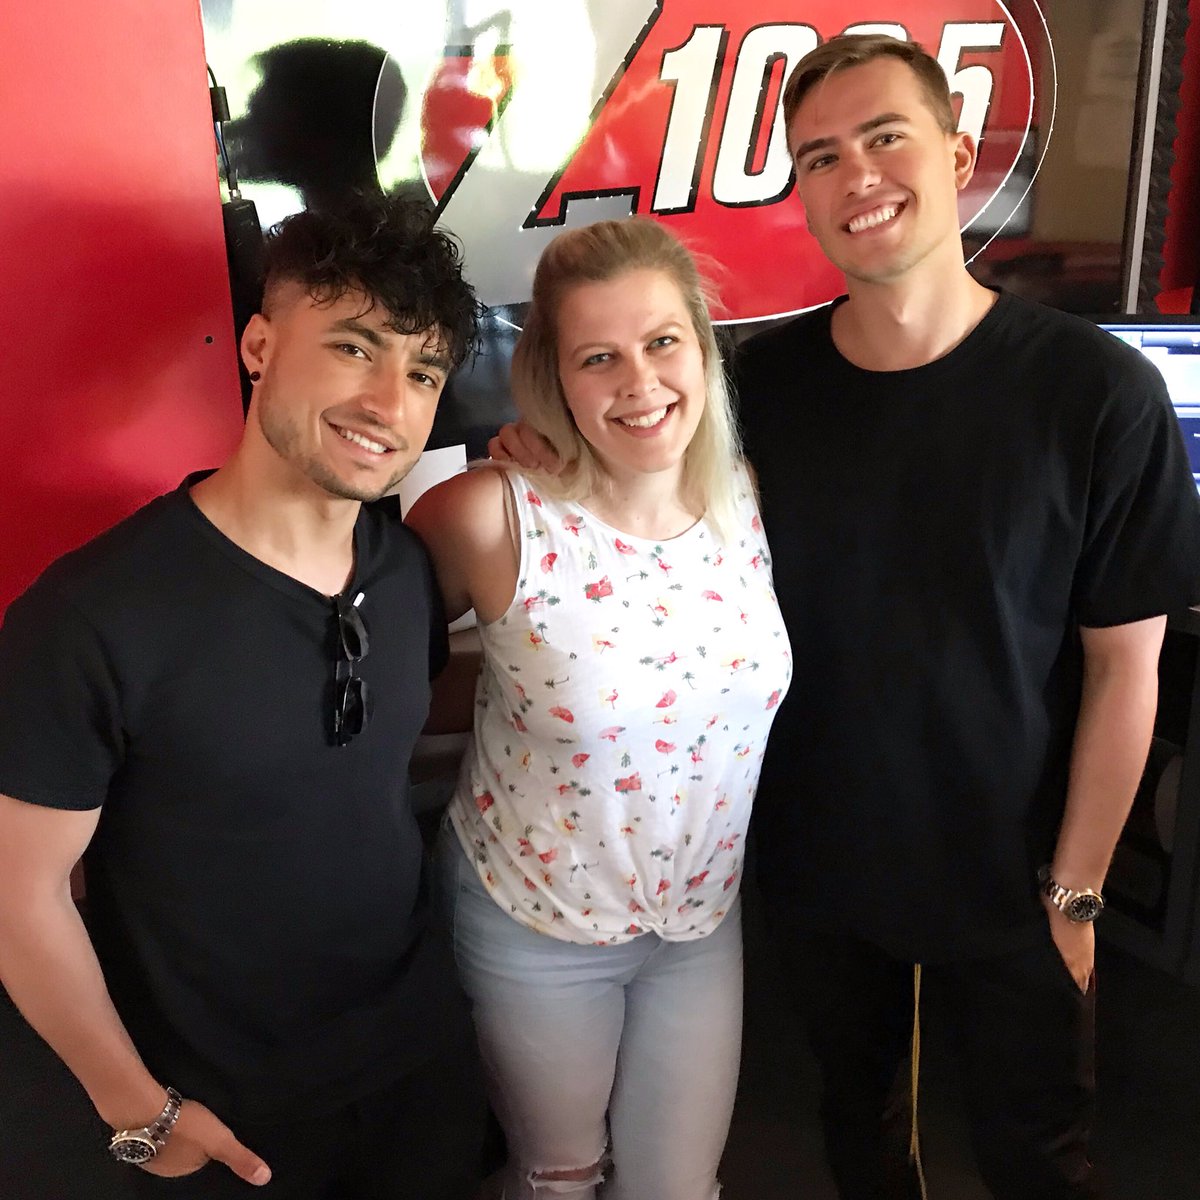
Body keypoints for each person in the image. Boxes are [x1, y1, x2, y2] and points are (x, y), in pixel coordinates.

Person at [490, 33, 1200, 1200]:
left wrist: (1078, 891)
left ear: (959, 155)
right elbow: (639, 483)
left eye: (885, 137)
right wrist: (545, 455)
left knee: (1037, 1157)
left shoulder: (1094, 393)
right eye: (821, 156)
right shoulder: (757, 392)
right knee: (863, 1141)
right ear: (803, 191)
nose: (856, 175)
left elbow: (1129, 669)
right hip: (820, 870)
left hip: (1017, 878)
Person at [0, 194, 486, 1199]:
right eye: (353, 348)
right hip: (226, 1114)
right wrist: (138, 1111)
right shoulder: (96, 615)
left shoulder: (405, 569)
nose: (389, 402)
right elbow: (16, 893)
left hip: (419, 1065)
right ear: (260, 346)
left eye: (423, 371)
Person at [406, 217, 791, 1200]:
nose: (640, 382)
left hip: (698, 921)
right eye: (598, 358)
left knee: (677, 1189)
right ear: (554, 376)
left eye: (663, 342)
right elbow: (373, 673)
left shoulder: (742, 496)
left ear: (702, 348)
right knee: (559, 1180)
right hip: (534, 920)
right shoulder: (492, 514)